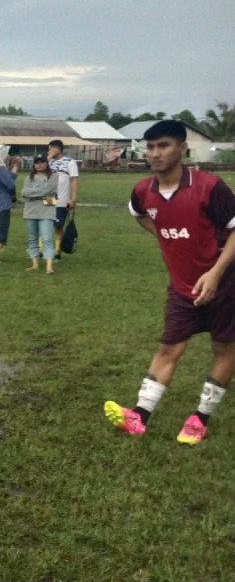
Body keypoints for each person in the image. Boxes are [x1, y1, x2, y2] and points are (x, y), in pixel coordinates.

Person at [104, 121, 235, 446]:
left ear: (182, 149)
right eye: (150, 147)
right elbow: (138, 213)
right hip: (181, 287)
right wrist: (164, 234)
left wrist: (216, 272)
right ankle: (138, 416)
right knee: (168, 348)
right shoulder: (142, 190)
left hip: (226, 284)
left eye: (163, 146)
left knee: (224, 349)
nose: (155, 153)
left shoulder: (210, 187)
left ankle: (199, 419)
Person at [21, 155, 58, 274]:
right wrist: (41, 195)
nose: (39, 164)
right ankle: (34, 264)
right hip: (30, 212)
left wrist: (33, 194)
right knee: (32, 239)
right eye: (37, 162)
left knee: (46, 239)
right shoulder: (29, 178)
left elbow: (48, 190)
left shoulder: (53, 177)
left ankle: (49, 267)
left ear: (47, 163)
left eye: (42, 162)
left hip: (47, 212)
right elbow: (24, 192)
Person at [47, 139, 79, 259]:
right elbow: (37, 173)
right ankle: (41, 251)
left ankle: (57, 253)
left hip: (62, 201)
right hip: (49, 199)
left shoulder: (69, 162)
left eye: (50, 148)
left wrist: (73, 198)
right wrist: (48, 158)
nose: (48, 151)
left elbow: (74, 180)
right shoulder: (48, 162)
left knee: (58, 227)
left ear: (57, 149)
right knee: (45, 224)